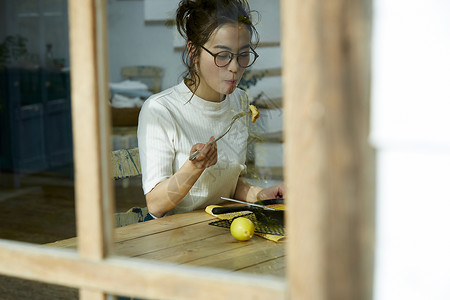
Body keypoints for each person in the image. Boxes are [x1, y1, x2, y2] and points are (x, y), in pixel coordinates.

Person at [137, 0, 284, 219]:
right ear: (193, 51)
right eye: (222, 55)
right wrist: (194, 168)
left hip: (218, 229)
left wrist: (261, 194)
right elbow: (156, 205)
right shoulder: (161, 110)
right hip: (172, 237)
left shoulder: (239, 101)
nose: (235, 67)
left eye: (243, 54)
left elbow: (227, 185)